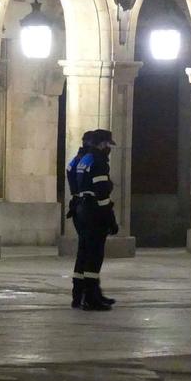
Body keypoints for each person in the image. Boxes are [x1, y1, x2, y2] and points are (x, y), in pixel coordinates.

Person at [73, 129, 120, 311]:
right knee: (94, 254)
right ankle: (91, 298)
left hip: (82, 208)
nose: (109, 148)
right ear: (102, 144)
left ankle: (80, 294)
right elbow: (102, 192)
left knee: (84, 253)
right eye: (108, 144)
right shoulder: (98, 161)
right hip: (94, 211)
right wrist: (110, 219)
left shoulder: (84, 159)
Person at [66, 130, 95, 308]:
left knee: (82, 250)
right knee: (91, 251)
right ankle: (87, 295)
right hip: (89, 208)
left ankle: (77, 294)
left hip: (77, 205)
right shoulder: (90, 160)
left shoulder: (76, 160)